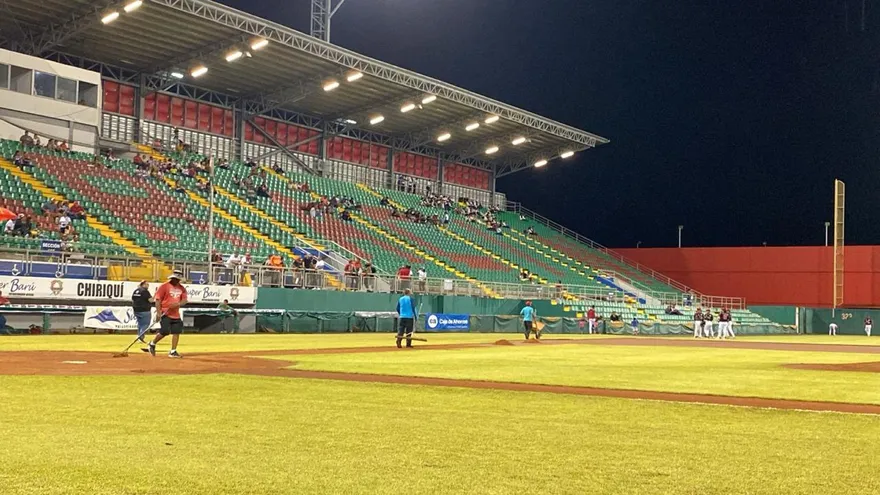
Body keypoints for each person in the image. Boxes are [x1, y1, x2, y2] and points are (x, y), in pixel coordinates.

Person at [143, 270, 187, 358]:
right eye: (175, 279)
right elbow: (158, 300)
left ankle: (173, 351)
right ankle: (152, 343)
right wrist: (159, 313)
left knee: (176, 332)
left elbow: (184, 300)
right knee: (165, 331)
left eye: (178, 279)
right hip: (165, 313)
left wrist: (178, 304)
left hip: (176, 314)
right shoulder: (163, 286)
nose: (176, 281)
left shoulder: (182, 288)